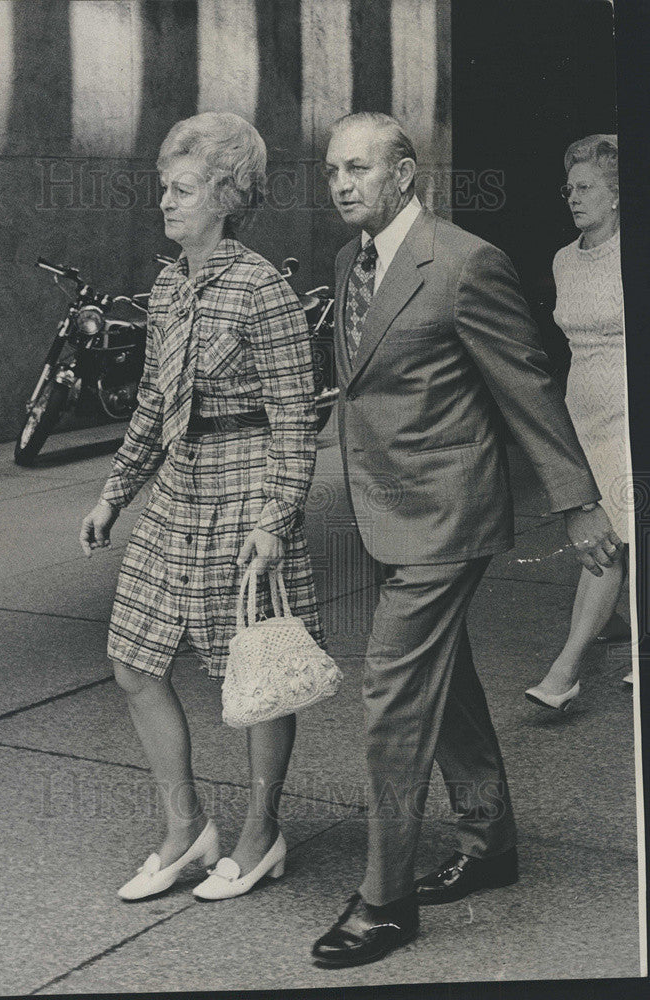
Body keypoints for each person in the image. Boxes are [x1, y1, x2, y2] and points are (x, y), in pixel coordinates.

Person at [311, 112, 621, 969]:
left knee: (390, 699)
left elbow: (524, 384)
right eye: (333, 168)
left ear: (404, 174)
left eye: (360, 168)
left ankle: (384, 900)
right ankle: (490, 843)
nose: (341, 183)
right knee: (445, 687)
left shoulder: (462, 262)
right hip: (383, 511)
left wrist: (576, 502)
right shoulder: (349, 263)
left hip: (447, 514)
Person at [79, 112, 324, 902]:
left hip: (244, 494)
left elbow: (296, 416)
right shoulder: (166, 286)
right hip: (179, 493)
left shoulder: (263, 290)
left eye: (181, 189)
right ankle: (187, 829)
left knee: (251, 675)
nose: (165, 202)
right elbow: (153, 404)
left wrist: (274, 518)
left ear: (225, 195)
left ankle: (260, 829)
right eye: (162, 188)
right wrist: (113, 494)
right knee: (132, 658)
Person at [525, 135, 632, 707]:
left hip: (630, 410)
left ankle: (564, 673)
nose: (572, 197)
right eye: (568, 188)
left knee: (610, 538)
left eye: (585, 186)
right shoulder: (565, 259)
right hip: (583, 411)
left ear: (617, 195)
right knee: (613, 530)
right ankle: (617, 626)